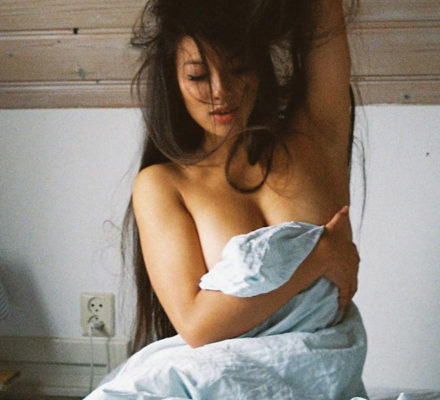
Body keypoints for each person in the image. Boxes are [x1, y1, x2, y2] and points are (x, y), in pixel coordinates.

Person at [86, 0, 368, 398]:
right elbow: (198, 327)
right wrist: (319, 258)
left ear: (260, 68)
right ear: (173, 80)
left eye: (239, 68)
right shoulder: (164, 184)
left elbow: (325, 12)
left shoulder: (315, 136)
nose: (221, 91)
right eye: (198, 76)